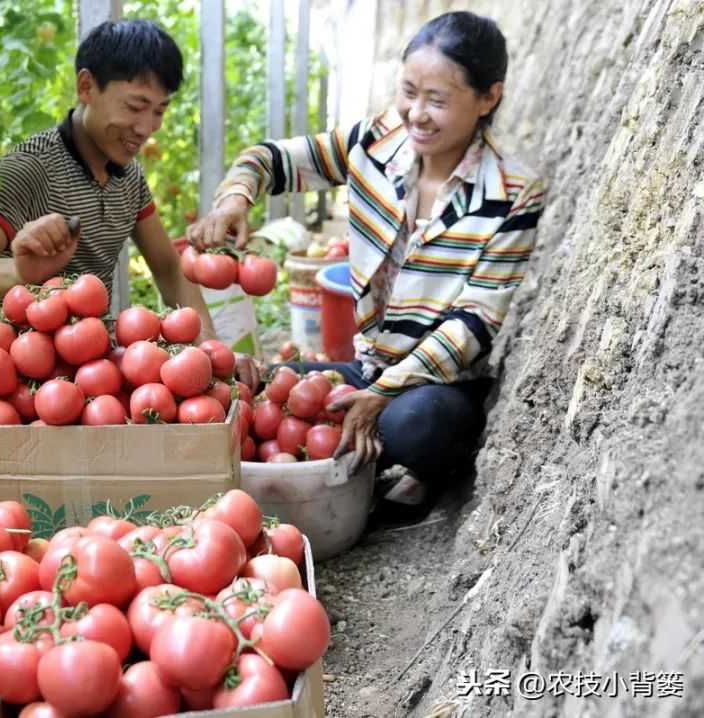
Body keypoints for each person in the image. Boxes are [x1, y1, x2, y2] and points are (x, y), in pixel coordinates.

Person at [187, 11, 545, 524]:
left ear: (489, 97)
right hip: (365, 369)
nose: (416, 113)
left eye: (437, 100)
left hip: (437, 385)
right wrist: (234, 199)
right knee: (258, 390)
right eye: (408, 91)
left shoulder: (512, 194)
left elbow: (474, 323)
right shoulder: (375, 142)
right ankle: (364, 454)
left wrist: (384, 393)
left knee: (416, 425)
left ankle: (422, 468)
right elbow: (272, 159)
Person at [0, 19, 257, 386]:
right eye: (136, 106)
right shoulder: (30, 168)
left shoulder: (130, 177)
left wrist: (214, 355)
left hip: (93, 379)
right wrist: (20, 275)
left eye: (159, 110)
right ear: (86, 86)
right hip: (21, 382)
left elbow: (170, 271)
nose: (146, 127)